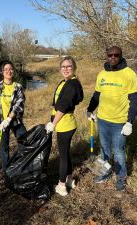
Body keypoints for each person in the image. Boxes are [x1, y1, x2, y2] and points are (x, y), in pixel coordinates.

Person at [87, 46, 137, 192]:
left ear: (121, 56)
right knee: (104, 149)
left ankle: (121, 178)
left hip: (120, 122)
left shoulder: (129, 74)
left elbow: (136, 99)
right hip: (103, 120)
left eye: (116, 55)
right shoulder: (102, 74)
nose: (112, 57)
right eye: (110, 55)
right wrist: (90, 109)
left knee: (118, 151)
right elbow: (97, 95)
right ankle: (104, 173)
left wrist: (129, 122)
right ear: (106, 56)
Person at [45, 56, 84, 196]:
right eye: (63, 67)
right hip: (65, 123)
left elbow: (62, 106)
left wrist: (53, 123)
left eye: (69, 66)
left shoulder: (72, 85)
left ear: (74, 68)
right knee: (66, 153)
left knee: (62, 156)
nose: (66, 69)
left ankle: (61, 186)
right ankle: (69, 179)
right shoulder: (65, 82)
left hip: (65, 124)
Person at [0, 60, 27, 175]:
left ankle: (23, 167)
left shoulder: (18, 87)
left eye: (11, 69)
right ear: (2, 72)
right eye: (6, 69)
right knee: (4, 149)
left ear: (14, 71)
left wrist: (9, 118)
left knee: (25, 143)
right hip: (0, 123)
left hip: (15, 121)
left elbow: (19, 105)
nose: (9, 71)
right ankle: (7, 172)